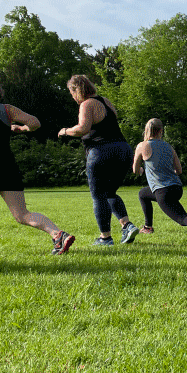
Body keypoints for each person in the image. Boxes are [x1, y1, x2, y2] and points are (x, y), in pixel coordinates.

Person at [0, 70, 74, 254]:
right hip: (7, 167)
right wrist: (21, 129)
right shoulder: (8, 110)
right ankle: (57, 234)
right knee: (22, 215)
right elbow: (35, 123)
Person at [58, 74, 138, 246]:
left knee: (98, 196)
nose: (73, 98)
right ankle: (127, 226)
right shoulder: (105, 101)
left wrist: (65, 131)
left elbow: (83, 128)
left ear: (76, 90)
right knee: (109, 192)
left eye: (72, 93)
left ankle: (105, 238)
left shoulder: (87, 104)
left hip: (101, 152)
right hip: (123, 150)